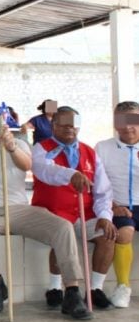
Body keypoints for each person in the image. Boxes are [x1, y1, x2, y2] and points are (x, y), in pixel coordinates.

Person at [0, 101, 91, 320]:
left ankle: (73, 292)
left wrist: (10, 147)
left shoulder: (16, 142)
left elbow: (26, 165)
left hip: (19, 208)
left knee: (62, 227)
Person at [32, 107, 116, 310]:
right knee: (62, 230)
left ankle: (95, 289)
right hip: (52, 211)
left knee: (108, 234)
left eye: (73, 124)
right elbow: (46, 171)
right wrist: (71, 174)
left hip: (85, 213)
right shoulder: (41, 149)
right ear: (54, 126)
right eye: (64, 124)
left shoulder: (89, 152)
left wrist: (105, 215)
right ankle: (55, 288)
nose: (69, 128)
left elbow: (103, 190)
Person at [95, 101, 139, 308]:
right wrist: (112, 205)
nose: (128, 127)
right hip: (118, 204)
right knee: (124, 233)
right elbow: (96, 183)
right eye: (122, 121)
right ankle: (123, 287)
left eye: (133, 120)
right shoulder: (103, 148)